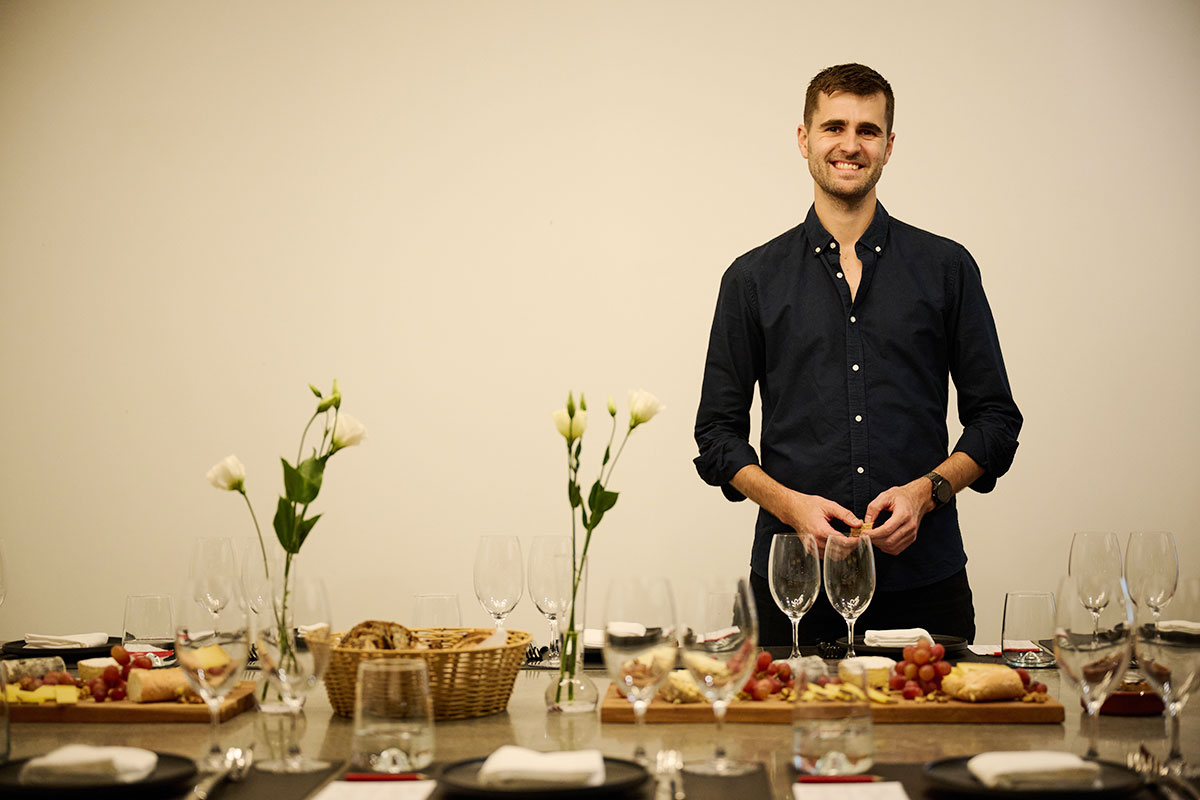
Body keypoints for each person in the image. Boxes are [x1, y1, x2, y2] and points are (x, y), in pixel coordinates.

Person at [693, 63, 1021, 646]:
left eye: (868, 130)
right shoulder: (751, 279)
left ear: (889, 146)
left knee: (940, 740)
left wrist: (929, 492)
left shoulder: (947, 269)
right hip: (792, 588)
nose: (850, 144)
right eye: (834, 127)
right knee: (780, 741)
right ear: (804, 139)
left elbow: (996, 420)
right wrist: (791, 508)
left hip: (926, 583)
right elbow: (717, 435)